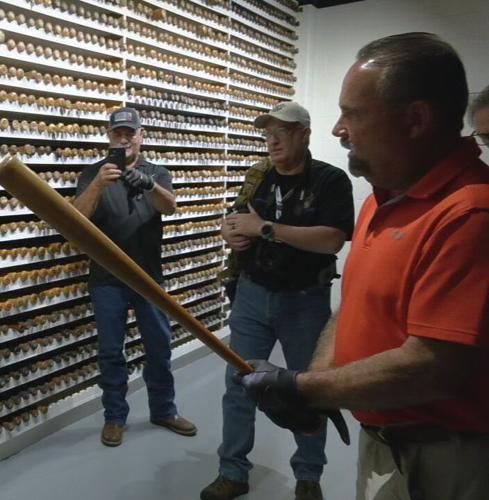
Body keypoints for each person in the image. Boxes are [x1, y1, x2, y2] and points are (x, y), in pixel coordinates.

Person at [237, 33, 489, 500]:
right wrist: (313, 382)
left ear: (415, 118)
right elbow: (351, 303)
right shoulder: (382, 196)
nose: (339, 128)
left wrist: (306, 389)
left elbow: (433, 365)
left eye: (352, 113)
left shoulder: (471, 214)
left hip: (443, 459)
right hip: (383, 443)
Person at [201, 102, 354, 500]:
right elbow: (235, 219)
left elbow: (332, 239)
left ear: (304, 133)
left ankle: (308, 477)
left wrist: (265, 228)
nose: (271, 139)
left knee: (307, 388)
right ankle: (232, 471)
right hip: (252, 295)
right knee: (239, 384)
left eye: (281, 131)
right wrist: (230, 232)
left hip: (304, 301)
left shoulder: (330, 180)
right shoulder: (258, 177)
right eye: (267, 132)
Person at [73, 107, 198, 447]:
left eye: (131, 132)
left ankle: (164, 410)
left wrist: (150, 186)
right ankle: (114, 418)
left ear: (141, 135)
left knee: (158, 347)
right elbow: (76, 218)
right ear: (109, 135)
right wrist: (99, 184)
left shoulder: (157, 172)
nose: (125, 138)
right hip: (106, 278)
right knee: (111, 351)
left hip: (148, 277)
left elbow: (170, 207)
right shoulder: (92, 174)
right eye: (118, 133)